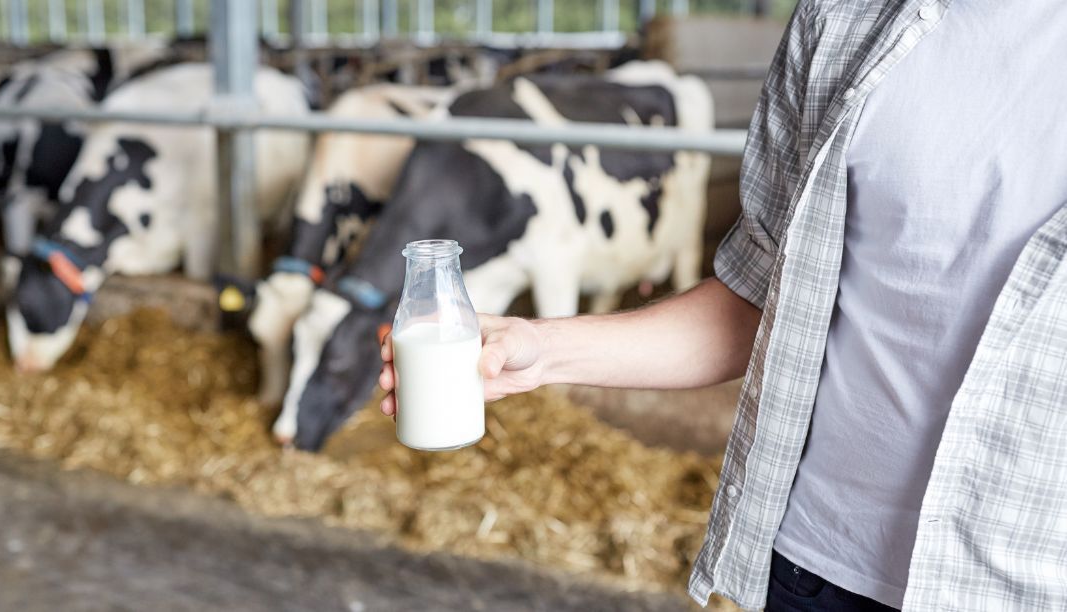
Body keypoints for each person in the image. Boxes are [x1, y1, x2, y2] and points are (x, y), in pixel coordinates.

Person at [377, 1, 1067, 610]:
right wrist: (534, 351)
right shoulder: (842, 19)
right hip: (814, 563)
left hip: (1022, 582)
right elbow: (755, 298)